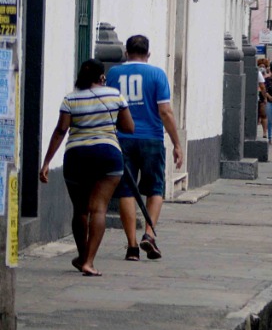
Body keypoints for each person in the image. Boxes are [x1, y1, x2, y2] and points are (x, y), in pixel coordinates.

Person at [39, 59, 135, 276]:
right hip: (108, 155)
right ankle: (89, 262)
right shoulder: (115, 95)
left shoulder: (70, 99)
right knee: (98, 208)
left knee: (80, 210)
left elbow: (60, 131)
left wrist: (46, 162)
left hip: (77, 156)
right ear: (102, 77)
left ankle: (82, 255)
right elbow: (129, 127)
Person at [107, 35, 185, 261]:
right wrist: (176, 143)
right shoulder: (157, 74)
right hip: (151, 138)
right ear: (148, 54)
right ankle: (149, 235)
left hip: (122, 139)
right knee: (155, 188)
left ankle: (131, 246)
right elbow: (165, 111)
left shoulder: (113, 74)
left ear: (126, 53)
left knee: (126, 191)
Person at [256, 57, 269, 139]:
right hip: (257, 94)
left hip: (261, 95)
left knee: (263, 115)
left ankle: (265, 132)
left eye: (263, 66)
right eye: (260, 66)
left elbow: (263, 87)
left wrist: (265, 98)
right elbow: (262, 86)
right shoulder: (257, 73)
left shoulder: (268, 75)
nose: (262, 68)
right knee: (256, 116)